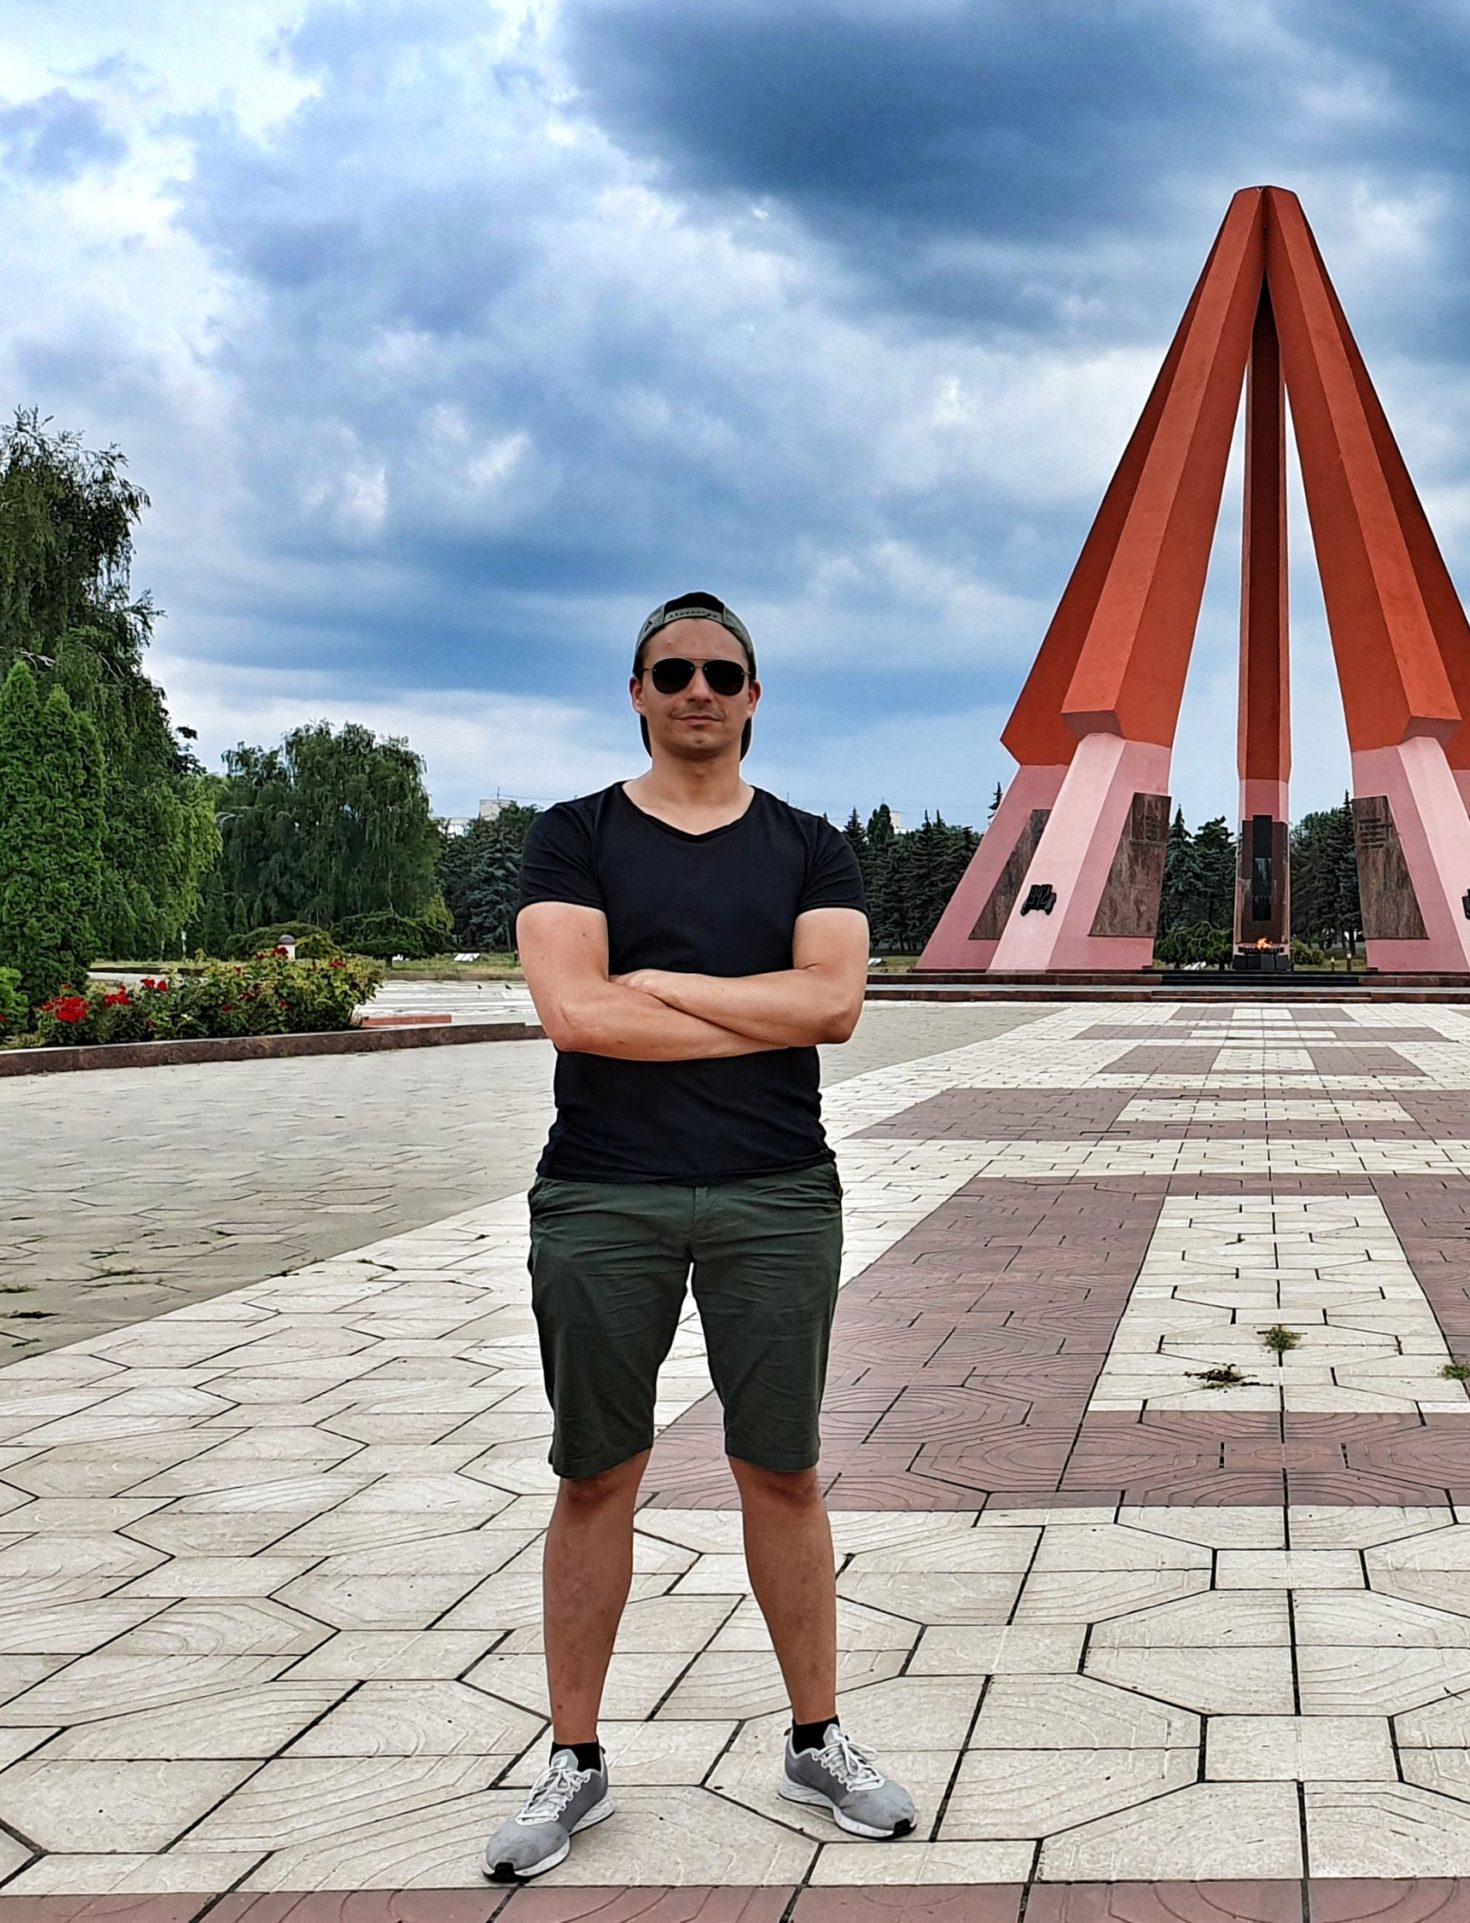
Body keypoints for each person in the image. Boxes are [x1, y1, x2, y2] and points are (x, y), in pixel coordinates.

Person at [484, 591, 913, 1881]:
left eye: (723, 672)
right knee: (594, 1474)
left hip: (774, 1191)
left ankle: (815, 1738)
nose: (698, 690)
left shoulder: (810, 849)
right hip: (604, 1194)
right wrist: (748, 1010)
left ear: (754, 694)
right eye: (672, 670)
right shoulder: (575, 838)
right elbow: (577, 1017)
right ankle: (574, 1761)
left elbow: (834, 1007)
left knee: (780, 1469)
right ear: (635, 689)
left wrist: (660, 984)